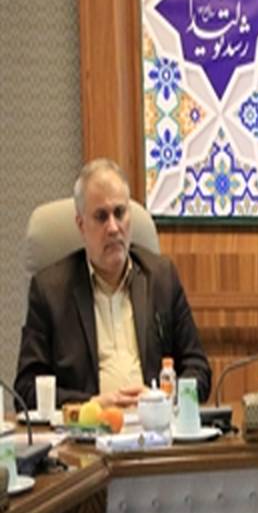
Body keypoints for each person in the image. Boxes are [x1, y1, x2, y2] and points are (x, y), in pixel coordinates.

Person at [16, 158, 210, 408]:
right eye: (101, 217)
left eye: (119, 213)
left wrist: (161, 399)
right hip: (87, 430)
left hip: (153, 426)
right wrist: (91, 405)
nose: (113, 228)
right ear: (81, 225)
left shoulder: (161, 278)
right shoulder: (50, 291)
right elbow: (27, 388)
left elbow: (199, 370)